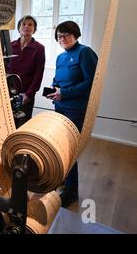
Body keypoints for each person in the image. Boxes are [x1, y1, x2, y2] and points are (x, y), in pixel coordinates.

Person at [46, 21, 98, 208]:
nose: (63, 38)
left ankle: (71, 191)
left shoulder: (85, 53)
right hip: (60, 106)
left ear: (75, 34)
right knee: (60, 145)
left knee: (70, 148)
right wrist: (53, 89)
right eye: (59, 36)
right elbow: (57, 80)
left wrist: (65, 93)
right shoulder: (61, 57)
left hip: (75, 108)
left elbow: (91, 82)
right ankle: (65, 179)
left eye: (66, 34)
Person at [8, 15, 45, 127]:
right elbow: (4, 68)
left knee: (23, 124)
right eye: (24, 24)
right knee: (8, 122)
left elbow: (39, 73)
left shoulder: (39, 48)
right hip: (9, 92)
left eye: (30, 24)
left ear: (35, 29)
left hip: (26, 93)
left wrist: (29, 94)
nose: (26, 26)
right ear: (19, 28)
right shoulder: (10, 45)